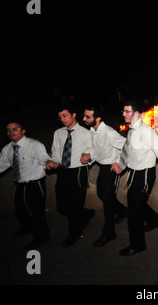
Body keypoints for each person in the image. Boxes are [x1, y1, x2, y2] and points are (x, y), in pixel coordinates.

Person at [0, 122, 51, 250]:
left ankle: (42, 236)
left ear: (23, 131)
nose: (12, 132)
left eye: (15, 129)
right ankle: (27, 228)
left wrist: (48, 162)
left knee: (36, 212)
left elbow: (43, 158)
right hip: (20, 183)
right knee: (20, 209)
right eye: (8, 130)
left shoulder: (34, 144)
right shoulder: (8, 149)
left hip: (34, 184)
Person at [116, 100, 158, 256]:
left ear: (136, 113)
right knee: (137, 203)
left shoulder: (146, 132)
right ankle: (156, 221)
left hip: (144, 174)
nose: (124, 114)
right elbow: (131, 151)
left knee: (134, 211)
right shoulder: (132, 130)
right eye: (123, 111)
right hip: (133, 172)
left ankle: (137, 245)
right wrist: (121, 165)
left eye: (127, 111)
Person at [46, 104, 95, 247]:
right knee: (61, 206)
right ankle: (85, 214)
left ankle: (75, 234)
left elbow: (93, 150)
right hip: (63, 171)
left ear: (74, 115)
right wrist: (53, 161)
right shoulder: (58, 133)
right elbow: (55, 152)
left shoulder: (86, 133)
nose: (62, 119)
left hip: (78, 171)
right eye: (60, 117)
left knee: (74, 205)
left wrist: (88, 156)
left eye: (65, 115)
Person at [82, 104, 128, 247]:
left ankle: (109, 233)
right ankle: (122, 211)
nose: (83, 118)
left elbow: (127, 146)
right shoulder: (92, 131)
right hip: (102, 167)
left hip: (110, 168)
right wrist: (89, 156)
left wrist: (118, 162)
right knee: (102, 194)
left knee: (107, 202)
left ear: (98, 118)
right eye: (84, 115)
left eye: (87, 116)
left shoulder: (109, 132)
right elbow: (96, 150)